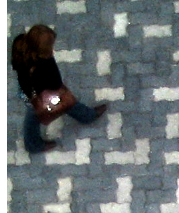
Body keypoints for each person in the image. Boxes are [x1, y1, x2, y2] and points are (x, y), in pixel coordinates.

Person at [11, 25, 108, 156]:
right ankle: (33, 145)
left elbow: (21, 75)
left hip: (28, 93)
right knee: (61, 105)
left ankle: (87, 116)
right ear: (44, 50)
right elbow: (55, 84)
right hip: (42, 95)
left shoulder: (21, 46)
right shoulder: (43, 64)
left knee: (40, 114)